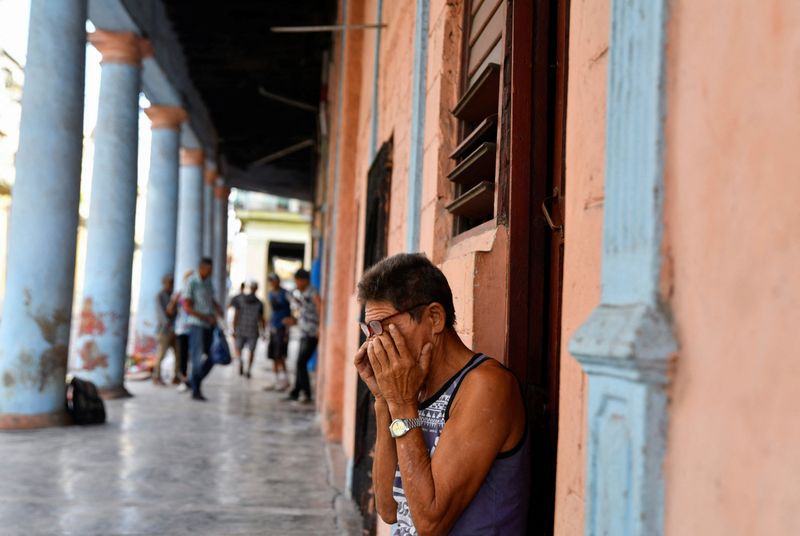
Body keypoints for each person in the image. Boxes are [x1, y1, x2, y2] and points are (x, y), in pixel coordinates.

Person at [354, 253, 529, 534]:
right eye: (368, 330)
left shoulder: (486, 386)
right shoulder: (411, 388)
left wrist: (400, 404)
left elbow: (429, 523)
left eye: (381, 328)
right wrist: (383, 400)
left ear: (434, 318)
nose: (375, 344)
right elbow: (388, 509)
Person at [183, 258, 223, 401]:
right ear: (201, 268)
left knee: (213, 357)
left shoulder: (208, 282)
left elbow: (211, 300)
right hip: (197, 325)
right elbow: (187, 307)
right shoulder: (192, 282)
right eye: (208, 269)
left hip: (209, 325)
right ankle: (196, 389)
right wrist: (205, 317)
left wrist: (218, 310)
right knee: (197, 357)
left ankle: (193, 380)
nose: (210, 272)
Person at [283, 268, 320, 403]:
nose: (296, 283)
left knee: (301, 362)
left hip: (311, 332)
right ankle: (296, 391)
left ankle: (306, 393)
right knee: (299, 362)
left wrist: (320, 328)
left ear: (304, 280)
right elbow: (306, 312)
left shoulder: (312, 292)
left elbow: (319, 307)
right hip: (304, 332)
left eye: (297, 281)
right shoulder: (303, 293)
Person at [233, 281, 265, 378]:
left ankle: (241, 362)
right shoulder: (259, 303)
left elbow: (236, 315)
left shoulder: (241, 300)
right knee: (251, 351)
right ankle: (248, 369)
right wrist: (263, 331)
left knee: (238, 348)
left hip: (242, 328)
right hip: (252, 330)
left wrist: (234, 328)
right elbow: (261, 319)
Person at [265, 273, 291, 390]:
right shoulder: (270, 294)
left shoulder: (285, 294)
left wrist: (288, 325)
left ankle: (285, 379)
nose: (272, 283)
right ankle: (276, 380)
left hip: (282, 328)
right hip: (273, 327)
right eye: (270, 281)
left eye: (273, 281)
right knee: (273, 355)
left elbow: (293, 307)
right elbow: (271, 311)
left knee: (280, 354)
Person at [152, 274, 178, 385]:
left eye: (171, 282)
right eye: (168, 282)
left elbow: (175, 313)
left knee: (178, 354)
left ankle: (176, 376)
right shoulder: (159, 296)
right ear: (164, 283)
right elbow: (163, 315)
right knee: (161, 354)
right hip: (164, 330)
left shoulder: (173, 296)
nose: (170, 285)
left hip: (174, 329)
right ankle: (156, 376)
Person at [173, 270, 194, 391]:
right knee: (183, 356)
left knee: (193, 356)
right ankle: (183, 380)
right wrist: (174, 301)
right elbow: (170, 310)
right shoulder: (180, 294)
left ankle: (189, 379)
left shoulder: (195, 294)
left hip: (194, 328)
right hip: (182, 328)